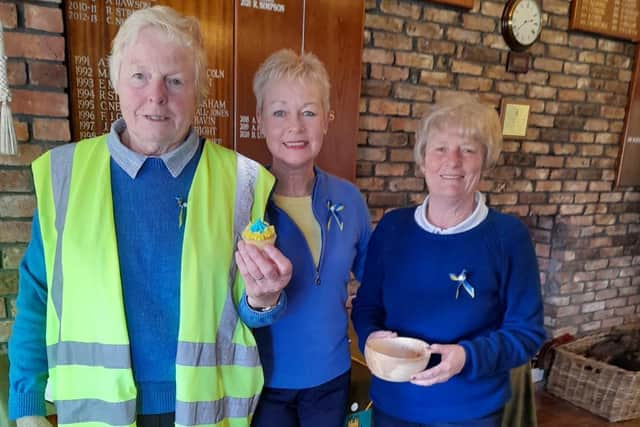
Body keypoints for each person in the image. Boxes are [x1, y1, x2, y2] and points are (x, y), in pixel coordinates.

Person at [8, 6, 291, 427]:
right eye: (140, 76)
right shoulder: (63, 175)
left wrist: (263, 300)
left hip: (207, 410)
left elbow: (246, 310)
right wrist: (28, 405)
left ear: (198, 91)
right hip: (94, 414)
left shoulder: (243, 181)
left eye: (175, 81)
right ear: (116, 80)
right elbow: (37, 299)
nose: (156, 96)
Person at [351, 93, 546, 427]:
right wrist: (370, 335)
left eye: (468, 150)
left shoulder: (508, 237)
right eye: (440, 148)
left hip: (471, 412)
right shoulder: (392, 228)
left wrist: (468, 357)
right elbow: (367, 307)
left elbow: (527, 333)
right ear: (423, 160)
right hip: (394, 405)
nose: (452, 161)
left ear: (485, 162)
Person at [234, 49, 371, 427]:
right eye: (280, 112)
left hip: (330, 378)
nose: (295, 126)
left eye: (309, 112)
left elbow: (375, 282)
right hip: (260, 382)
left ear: (327, 120)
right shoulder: (241, 201)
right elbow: (224, 302)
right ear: (260, 120)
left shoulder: (350, 200)